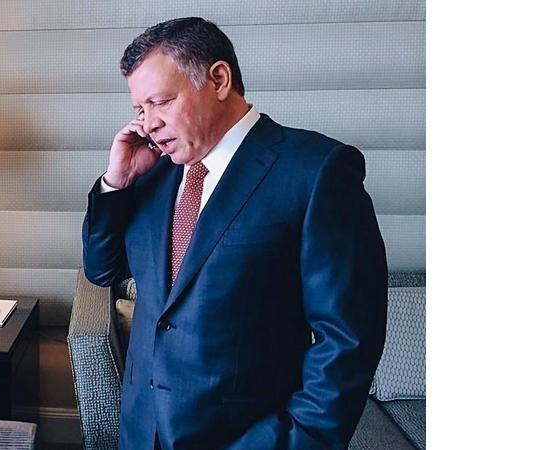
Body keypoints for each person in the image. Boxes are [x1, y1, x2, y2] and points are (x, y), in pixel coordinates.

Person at [81, 17, 388, 449]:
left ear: (219, 79)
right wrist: (116, 183)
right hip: (141, 433)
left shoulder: (316, 171)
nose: (148, 125)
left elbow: (348, 341)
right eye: (139, 110)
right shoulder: (152, 172)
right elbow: (102, 270)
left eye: (161, 102)